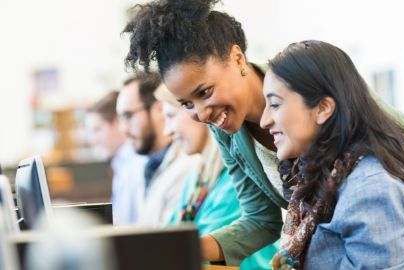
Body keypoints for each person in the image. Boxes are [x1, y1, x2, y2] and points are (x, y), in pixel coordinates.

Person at [122, 0, 404, 265]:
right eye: (187, 104)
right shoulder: (227, 130)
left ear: (238, 59)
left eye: (205, 92)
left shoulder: (308, 87)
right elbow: (260, 220)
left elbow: (401, 153)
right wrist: (184, 252)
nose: (201, 114)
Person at [260, 40, 404, 269]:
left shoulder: (371, 189)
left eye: (275, 105)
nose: (264, 120)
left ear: (322, 108)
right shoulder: (329, 178)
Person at [155, 84, 277, 269]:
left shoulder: (233, 180)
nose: (167, 131)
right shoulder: (197, 178)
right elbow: (170, 236)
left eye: (171, 117)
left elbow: (196, 253)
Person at [116, 72, 194, 227]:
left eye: (128, 115)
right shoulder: (150, 166)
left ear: (159, 110)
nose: (123, 129)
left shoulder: (187, 166)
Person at [86, 91, 147, 225]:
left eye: (97, 130)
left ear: (117, 122)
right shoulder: (121, 163)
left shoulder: (138, 163)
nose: (92, 140)